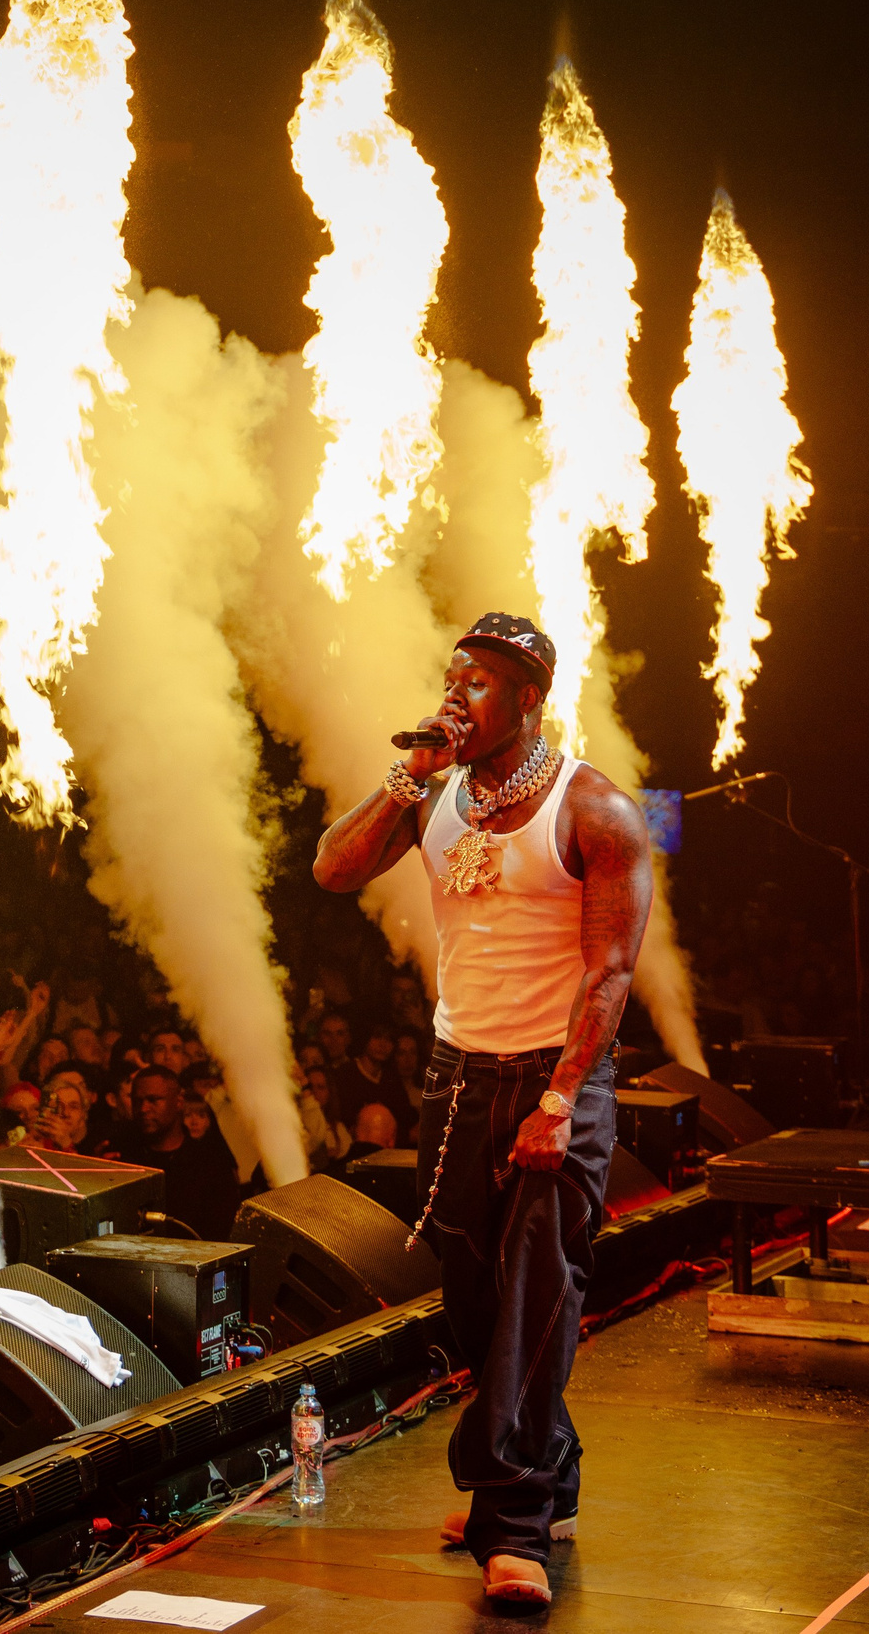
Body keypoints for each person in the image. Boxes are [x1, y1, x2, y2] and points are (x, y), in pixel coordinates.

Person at [313, 612, 642, 1608]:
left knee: (535, 1304)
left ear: (532, 698)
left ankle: (515, 1529)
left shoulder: (592, 809)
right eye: (451, 677)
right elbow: (332, 868)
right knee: (472, 1301)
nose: (458, 696)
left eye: (481, 684)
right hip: (458, 1076)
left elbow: (610, 970)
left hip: (556, 1078)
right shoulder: (434, 794)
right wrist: (405, 772)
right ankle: (545, 1471)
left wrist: (558, 1098)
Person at [114, 1065, 243, 1246]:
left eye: (153, 1100)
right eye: (138, 1101)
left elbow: (223, 1235)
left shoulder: (209, 1163)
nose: (143, 1109)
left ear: (178, 1101)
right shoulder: (124, 1158)